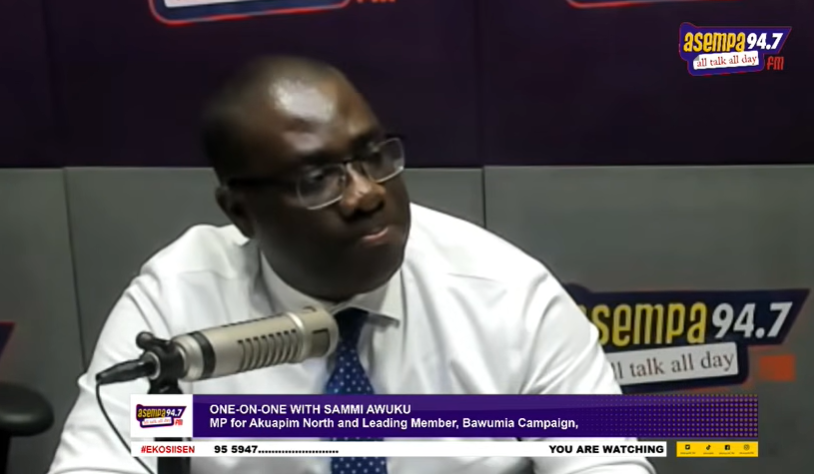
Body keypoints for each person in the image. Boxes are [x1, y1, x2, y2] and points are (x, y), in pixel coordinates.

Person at [48, 56, 655, 474]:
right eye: (319, 179)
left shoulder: (505, 295)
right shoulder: (179, 303)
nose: (366, 194)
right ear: (240, 211)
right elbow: (100, 462)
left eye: (374, 157)